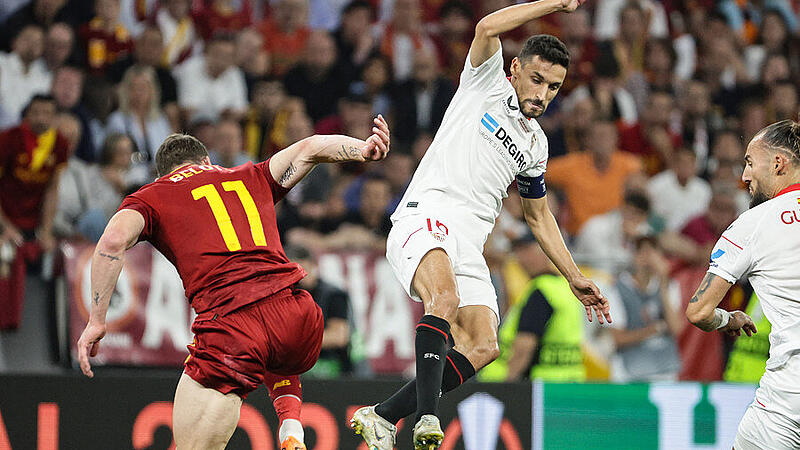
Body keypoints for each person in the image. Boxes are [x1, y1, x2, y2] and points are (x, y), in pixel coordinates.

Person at [349, 1, 610, 449]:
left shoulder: (536, 144)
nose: (544, 94)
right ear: (514, 69)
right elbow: (487, 25)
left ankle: (382, 415)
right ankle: (427, 418)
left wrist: (574, 276)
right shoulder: (484, 83)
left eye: (554, 87)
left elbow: (538, 215)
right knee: (444, 299)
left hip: (469, 244)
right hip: (425, 216)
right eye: (537, 79)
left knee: (485, 345)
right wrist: (557, 4)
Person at [76, 116, 391, 450]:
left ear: (162, 174)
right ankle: (291, 430)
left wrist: (97, 319)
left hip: (233, 328)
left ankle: (289, 430)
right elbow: (311, 147)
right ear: (207, 162)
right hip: (298, 315)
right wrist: (363, 149)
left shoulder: (152, 194)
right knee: (275, 347)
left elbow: (111, 242)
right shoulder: (248, 174)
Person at [685, 120, 800, 450]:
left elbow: (698, 311)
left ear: (778, 164)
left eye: (750, 163)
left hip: (787, 401)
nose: (744, 176)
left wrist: (728, 319)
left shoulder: (754, 223)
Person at [479, 233, 586, 382]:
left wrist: (505, 388)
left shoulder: (542, 290)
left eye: (526, 250)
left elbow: (524, 347)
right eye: (518, 251)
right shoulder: (565, 287)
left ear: (546, 250)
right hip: (568, 379)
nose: (520, 258)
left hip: (537, 384)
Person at [606, 237, 684, 382]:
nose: (648, 258)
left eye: (652, 252)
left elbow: (676, 328)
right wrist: (654, 330)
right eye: (642, 252)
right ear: (634, 256)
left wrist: (663, 284)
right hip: (630, 372)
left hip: (665, 369)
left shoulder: (669, 286)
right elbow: (618, 339)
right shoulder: (617, 289)